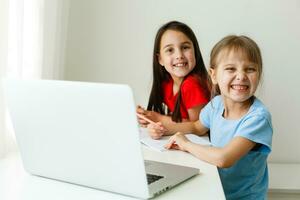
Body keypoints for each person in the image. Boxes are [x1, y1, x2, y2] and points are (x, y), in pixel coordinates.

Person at [153, 35, 273, 199]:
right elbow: (196, 126)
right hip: (217, 190)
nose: (241, 76)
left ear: (258, 74)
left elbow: (224, 159)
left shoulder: (258, 118)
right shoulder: (216, 105)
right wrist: (164, 129)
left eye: (250, 69)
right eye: (231, 69)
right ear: (214, 75)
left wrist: (186, 144)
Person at [137, 21, 211, 139]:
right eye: (170, 50)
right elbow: (179, 118)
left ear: (195, 52)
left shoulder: (192, 84)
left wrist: (159, 119)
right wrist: (147, 115)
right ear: (160, 59)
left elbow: (198, 127)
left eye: (185, 47)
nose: (179, 55)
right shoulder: (166, 84)